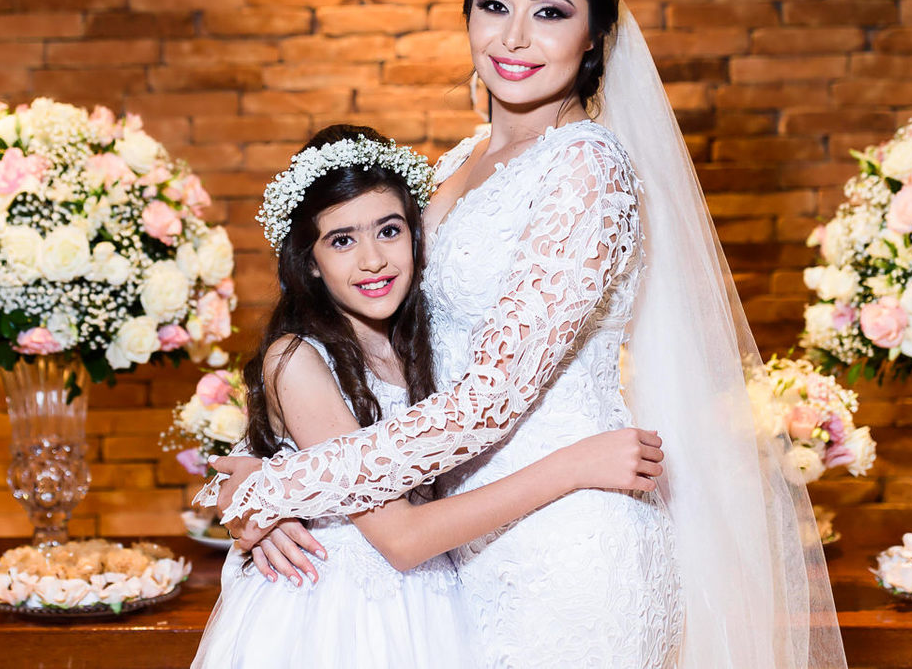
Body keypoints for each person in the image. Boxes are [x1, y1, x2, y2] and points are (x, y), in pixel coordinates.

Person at [201, 0, 847, 669]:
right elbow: (367, 346)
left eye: (549, 12)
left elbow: (487, 399)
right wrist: (268, 472)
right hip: (454, 550)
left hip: (566, 544)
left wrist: (278, 488)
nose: (513, 37)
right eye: (494, 5)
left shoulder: (587, 167)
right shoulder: (458, 161)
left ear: (595, 33)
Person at [193, 124, 666, 668]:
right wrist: (572, 467)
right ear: (310, 263)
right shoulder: (298, 359)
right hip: (343, 617)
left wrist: (270, 490)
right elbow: (401, 538)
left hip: (437, 602)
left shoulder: (425, 343)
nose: (373, 259)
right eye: (342, 240)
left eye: (389, 230)